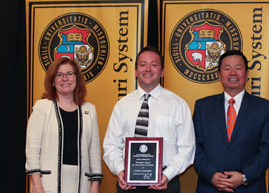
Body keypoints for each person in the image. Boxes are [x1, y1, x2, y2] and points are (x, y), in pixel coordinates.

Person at [103, 46, 195, 193]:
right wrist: (121, 171)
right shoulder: (122, 105)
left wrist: (167, 174)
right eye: (142, 64)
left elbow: (187, 148)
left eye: (154, 65)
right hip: (128, 183)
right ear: (135, 71)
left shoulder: (177, 104)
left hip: (165, 183)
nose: (148, 69)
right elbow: (111, 145)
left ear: (162, 72)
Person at [193, 50, 269, 193]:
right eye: (227, 68)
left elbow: (268, 149)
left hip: (250, 187)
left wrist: (244, 176)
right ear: (219, 75)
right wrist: (211, 175)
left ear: (246, 74)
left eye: (238, 68)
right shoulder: (202, 107)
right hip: (210, 187)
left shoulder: (265, 108)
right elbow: (194, 146)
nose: (233, 73)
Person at [25, 57, 102, 193]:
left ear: (76, 79)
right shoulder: (42, 107)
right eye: (59, 75)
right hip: (47, 184)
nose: (64, 78)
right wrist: (36, 183)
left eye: (69, 74)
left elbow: (94, 151)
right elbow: (32, 149)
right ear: (53, 81)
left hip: (81, 185)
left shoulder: (89, 110)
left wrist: (95, 184)